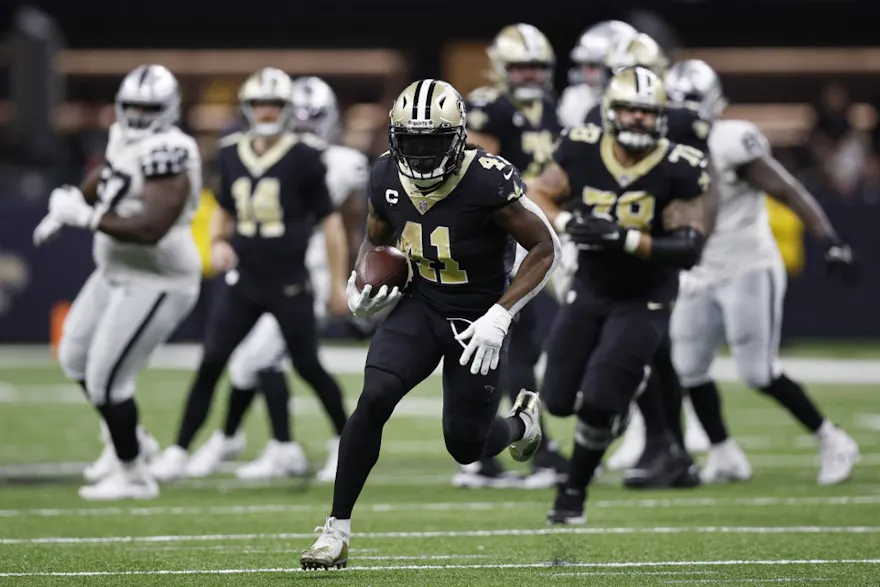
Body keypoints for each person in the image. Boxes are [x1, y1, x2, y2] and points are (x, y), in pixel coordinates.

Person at [299, 79, 560, 569]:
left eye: (432, 142)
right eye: (411, 142)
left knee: (466, 446)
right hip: (420, 304)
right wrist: (363, 282)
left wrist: (501, 315)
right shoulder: (384, 174)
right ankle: (336, 531)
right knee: (373, 396)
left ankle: (519, 423)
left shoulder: (489, 179)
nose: (419, 156)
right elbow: (376, 239)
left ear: (458, 137)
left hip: (477, 316)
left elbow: (546, 247)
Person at [665, 60, 861, 486]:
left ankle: (832, 439)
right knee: (688, 367)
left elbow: (788, 190)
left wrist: (830, 240)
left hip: (745, 265)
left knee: (756, 371)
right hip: (697, 269)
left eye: (689, 103)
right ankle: (724, 454)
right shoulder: (658, 147)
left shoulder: (732, 141)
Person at [529, 66, 712, 524]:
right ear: (611, 112)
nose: (636, 120)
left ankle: (573, 493)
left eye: (646, 113)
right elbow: (539, 195)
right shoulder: (582, 146)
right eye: (628, 110)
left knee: (597, 405)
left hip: (645, 296)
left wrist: (624, 239)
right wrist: (572, 225)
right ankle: (615, 412)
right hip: (590, 287)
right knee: (556, 399)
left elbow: (689, 246)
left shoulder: (679, 165)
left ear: (661, 118)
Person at [149, 67, 349, 481]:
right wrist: (219, 242)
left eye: (275, 104)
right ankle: (179, 450)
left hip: (290, 279)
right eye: (260, 103)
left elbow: (330, 224)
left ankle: (345, 442)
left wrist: (336, 284)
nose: (267, 111)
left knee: (308, 366)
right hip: (246, 279)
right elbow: (223, 211)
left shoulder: (307, 156)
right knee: (212, 362)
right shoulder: (229, 151)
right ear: (247, 107)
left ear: (287, 109)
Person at [33, 64, 202, 500]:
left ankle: (134, 475)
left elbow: (152, 227)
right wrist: (75, 199)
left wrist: (85, 217)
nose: (139, 116)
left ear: (169, 110)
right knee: (74, 358)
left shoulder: (171, 149)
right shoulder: (124, 136)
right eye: (132, 107)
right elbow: (110, 174)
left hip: (158, 276)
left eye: (149, 108)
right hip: (115, 270)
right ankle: (128, 438)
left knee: (108, 380)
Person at [581, 33, 711, 486]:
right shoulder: (590, 120)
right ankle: (661, 443)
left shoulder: (682, 120)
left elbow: (700, 193)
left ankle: (667, 444)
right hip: (610, 258)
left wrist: (695, 250)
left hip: (660, 254)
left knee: (654, 352)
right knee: (638, 353)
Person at [458, 22, 567, 489]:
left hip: (540, 230)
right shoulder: (487, 106)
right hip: (507, 234)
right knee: (511, 341)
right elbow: (485, 177)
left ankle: (494, 450)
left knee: (525, 342)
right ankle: (506, 449)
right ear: (502, 68)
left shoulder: (550, 108)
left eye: (535, 67)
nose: (527, 75)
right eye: (519, 66)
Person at [557, 20, 638, 129]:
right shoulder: (575, 98)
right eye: (583, 65)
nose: (585, 73)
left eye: (592, 66)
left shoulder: (638, 101)